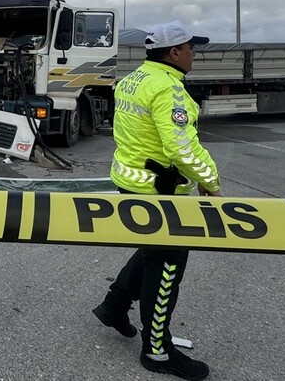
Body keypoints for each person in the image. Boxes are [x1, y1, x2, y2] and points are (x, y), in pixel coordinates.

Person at [92, 20, 221, 381]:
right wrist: (210, 181)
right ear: (174, 52)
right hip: (160, 192)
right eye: (191, 48)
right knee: (166, 267)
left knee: (152, 252)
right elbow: (182, 149)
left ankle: (114, 306)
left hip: (131, 183)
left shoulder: (133, 79)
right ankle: (157, 351)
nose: (194, 54)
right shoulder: (169, 89)